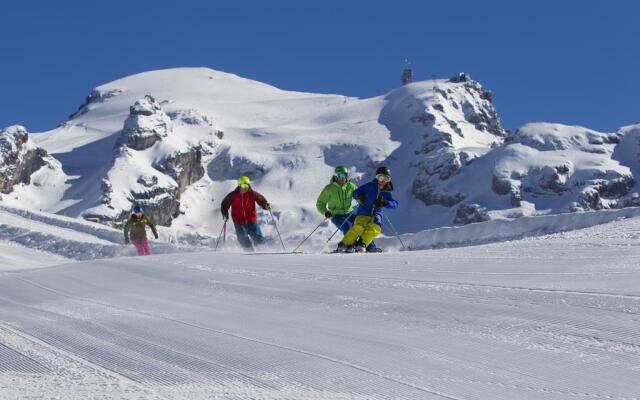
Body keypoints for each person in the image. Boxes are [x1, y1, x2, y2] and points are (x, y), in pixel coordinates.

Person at [336, 166, 398, 253]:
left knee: (375, 228)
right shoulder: (369, 186)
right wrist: (360, 196)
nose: (383, 181)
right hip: (363, 212)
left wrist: (385, 203)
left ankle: (361, 244)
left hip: (376, 214)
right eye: (381, 177)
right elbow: (355, 193)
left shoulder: (387, 193)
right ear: (377, 177)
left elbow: (395, 204)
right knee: (359, 227)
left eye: (386, 178)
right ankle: (344, 244)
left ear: (389, 180)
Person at [316, 165, 377, 251]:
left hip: (350, 213)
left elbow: (358, 197)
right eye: (340, 175)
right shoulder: (329, 189)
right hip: (336, 215)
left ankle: (371, 248)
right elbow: (320, 203)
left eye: (345, 175)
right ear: (336, 176)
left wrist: (363, 199)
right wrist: (326, 212)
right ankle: (350, 246)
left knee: (362, 225)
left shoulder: (351, 186)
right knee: (347, 227)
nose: (342, 178)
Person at [221, 176, 271, 251]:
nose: (244, 188)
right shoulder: (233, 195)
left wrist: (265, 205)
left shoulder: (252, 194)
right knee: (242, 237)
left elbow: (261, 200)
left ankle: (263, 250)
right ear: (239, 185)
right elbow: (224, 204)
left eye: (246, 185)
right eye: (243, 186)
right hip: (238, 221)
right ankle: (249, 251)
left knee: (257, 236)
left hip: (251, 219)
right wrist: (225, 213)